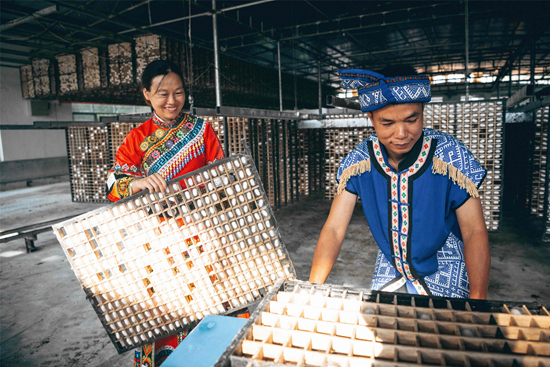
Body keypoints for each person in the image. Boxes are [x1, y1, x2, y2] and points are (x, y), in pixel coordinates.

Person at [309, 65, 491, 299]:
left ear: (423, 111)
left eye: (411, 119)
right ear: (371, 119)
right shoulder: (359, 161)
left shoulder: (450, 157)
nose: (402, 133)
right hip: (390, 267)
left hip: (445, 266)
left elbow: (475, 232)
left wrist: (478, 301)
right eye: (387, 123)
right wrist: (312, 288)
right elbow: (334, 229)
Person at [106, 60, 225, 366]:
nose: (172, 101)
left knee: (206, 305)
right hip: (156, 242)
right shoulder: (136, 138)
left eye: (179, 93)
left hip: (200, 235)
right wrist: (138, 182)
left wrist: (208, 186)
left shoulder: (202, 130)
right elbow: (112, 183)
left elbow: (224, 175)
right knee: (160, 311)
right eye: (162, 94)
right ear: (146, 94)